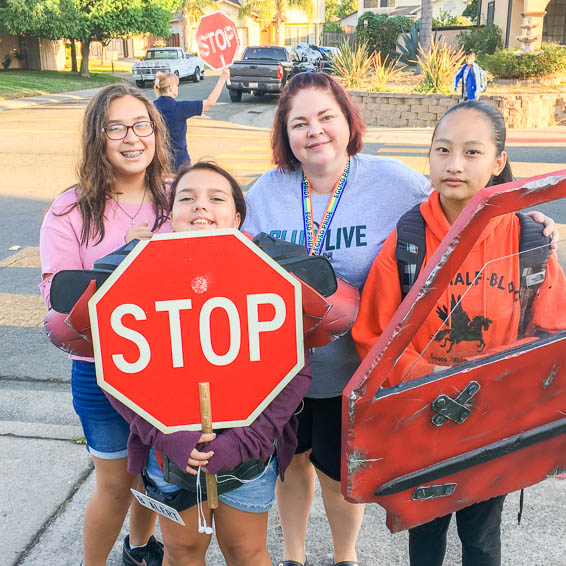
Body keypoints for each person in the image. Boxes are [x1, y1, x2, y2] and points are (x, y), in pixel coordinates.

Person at [352, 100, 566, 566]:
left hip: (494, 420)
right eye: (443, 149)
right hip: (422, 417)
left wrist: (492, 388)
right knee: (424, 535)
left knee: (483, 538)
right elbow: (374, 335)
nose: (454, 165)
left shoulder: (528, 241)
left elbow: (551, 336)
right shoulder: (408, 240)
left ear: (498, 162)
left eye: (472, 152)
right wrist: (435, 381)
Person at [242, 71, 433, 566]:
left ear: (348, 121)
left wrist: (521, 220)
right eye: (300, 122)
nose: (315, 131)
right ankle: (295, 555)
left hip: (354, 367)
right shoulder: (268, 190)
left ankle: (345, 556)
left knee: (338, 470)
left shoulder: (393, 181)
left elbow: (459, 202)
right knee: (290, 465)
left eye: (326, 117)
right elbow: (227, 253)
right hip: (281, 368)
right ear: (285, 134)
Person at [105, 160, 313, 566]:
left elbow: (295, 370)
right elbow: (115, 373)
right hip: (170, 455)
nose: (201, 206)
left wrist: (245, 440)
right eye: (187, 197)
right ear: (170, 216)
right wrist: (164, 435)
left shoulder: (266, 276)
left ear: (236, 217)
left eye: (216, 198)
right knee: (182, 551)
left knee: (247, 551)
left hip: (248, 454)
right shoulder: (139, 276)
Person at [40, 83, 172, 566]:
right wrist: (120, 262)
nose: (131, 137)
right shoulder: (70, 209)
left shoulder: (180, 196)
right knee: (116, 486)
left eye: (141, 125)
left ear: (156, 132)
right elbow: (57, 303)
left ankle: (140, 548)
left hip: (171, 370)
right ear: (97, 137)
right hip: (101, 372)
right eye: (115, 127)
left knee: (158, 475)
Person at [153, 68, 230, 170]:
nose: (177, 88)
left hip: (157, 162)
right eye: (176, 85)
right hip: (179, 162)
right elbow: (210, 102)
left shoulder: (151, 108)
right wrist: (222, 79)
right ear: (171, 88)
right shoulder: (180, 108)